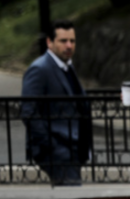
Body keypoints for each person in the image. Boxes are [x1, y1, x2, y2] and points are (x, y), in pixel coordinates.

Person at [20, 20, 92, 185]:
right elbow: (28, 111)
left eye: (72, 41)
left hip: (73, 147)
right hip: (56, 148)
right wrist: (49, 144)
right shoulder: (39, 69)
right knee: (72, 196)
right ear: (49, 42)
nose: (69, 46)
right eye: (63, 41)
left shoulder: (66, 66)